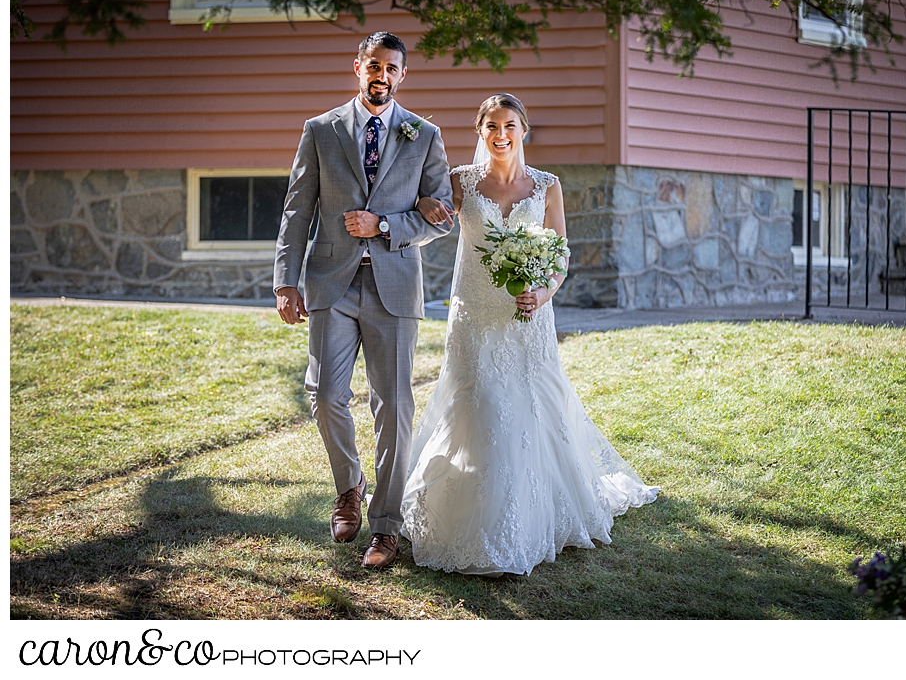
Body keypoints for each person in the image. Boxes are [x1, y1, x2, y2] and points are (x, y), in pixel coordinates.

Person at [400, 93, 658, 576]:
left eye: (510, 125)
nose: (501, 134)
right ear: (480, 131)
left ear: (524, 130)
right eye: (492, 125)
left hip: (528, 315)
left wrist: (543, 293)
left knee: (532, 406)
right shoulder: (461, 182)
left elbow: (559, 253)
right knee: (480, 405)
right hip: (475, 313)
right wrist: (420, 203)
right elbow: (429, 217)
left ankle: (532, 513)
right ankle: (466, 513)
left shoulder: (547, 186)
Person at [273, 32, 453, 570]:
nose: (382, 74)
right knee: (326, 392)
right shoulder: (320, 130)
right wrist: (286, 281)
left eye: (392, 68)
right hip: (331, 280)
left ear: (403, 76)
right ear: (357, 67)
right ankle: (348, 487)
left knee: (394, 405)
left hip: (394, 284)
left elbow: (440, 215)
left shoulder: (424, 135)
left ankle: (386, 525)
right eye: (373, 65)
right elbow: (296, 210)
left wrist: (387, 225)